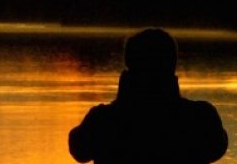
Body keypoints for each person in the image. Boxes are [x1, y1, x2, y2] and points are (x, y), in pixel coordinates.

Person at [69, 28, 228, 163]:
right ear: (172, 65)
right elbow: (217, 148)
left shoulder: (102, 119)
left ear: (129, 67)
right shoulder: (200, 117)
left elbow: (79, 151)